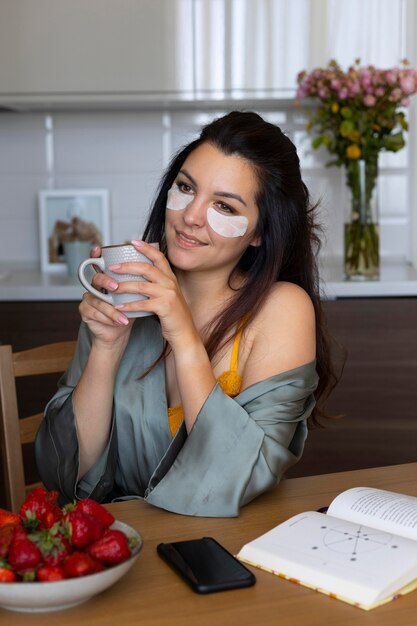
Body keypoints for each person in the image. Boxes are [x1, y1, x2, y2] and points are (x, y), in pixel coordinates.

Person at [35, 111, 337, 517]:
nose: (190, 216)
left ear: (261, 232)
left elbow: (241, 480)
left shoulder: (281, 308)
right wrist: (106, 347)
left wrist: (182, 332)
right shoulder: (127, 288)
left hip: (224, 546)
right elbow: (64, 474)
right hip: (119, 542)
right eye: (185, 187)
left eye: (225, 207)